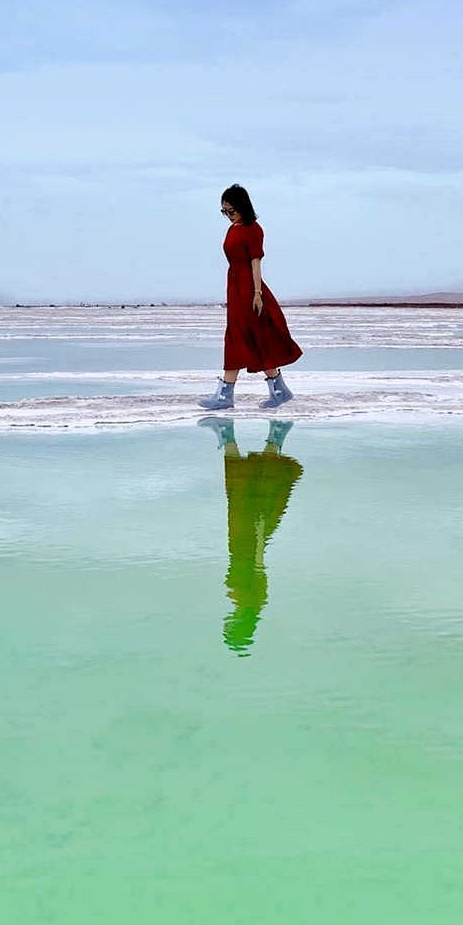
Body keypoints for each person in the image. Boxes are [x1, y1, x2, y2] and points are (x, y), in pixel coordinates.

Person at [197, 184, 302, 411]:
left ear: (242, 207)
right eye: (223, 211)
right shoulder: (233, 228)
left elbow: (255, 262)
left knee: (243, 337)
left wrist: (257, 294)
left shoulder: (254, 229)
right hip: (235, 286)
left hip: (247, 289)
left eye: (230, 211)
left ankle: (226, 395)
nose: (227, 215)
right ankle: (278, 390)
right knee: (248, 338)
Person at [203, 417, 303, 653]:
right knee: (246, 490)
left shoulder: (247, 603)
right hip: (247, 537)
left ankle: (240, 434)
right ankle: (260, 434)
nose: (227, 623)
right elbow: (259, 565)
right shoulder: (251, 601)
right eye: (230, 628)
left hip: (242, 538)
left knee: (240, 490)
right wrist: (260, 529)